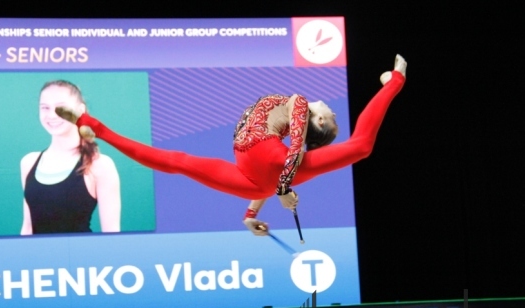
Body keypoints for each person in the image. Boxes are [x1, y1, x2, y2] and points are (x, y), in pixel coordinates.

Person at [57, 55, 406, 235]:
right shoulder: (287, 140)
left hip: (264, 164)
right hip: (256, 172)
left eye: (328, 116)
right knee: (177, 161)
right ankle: (95, 127)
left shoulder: (299, 104)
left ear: (318, 121)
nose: (330, 109)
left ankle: (394, 81)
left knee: (361, 145)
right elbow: (275, 168)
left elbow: (292, 147)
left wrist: (283, 186)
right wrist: (252, 212)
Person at [20, 80, 121, 234]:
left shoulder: (100, 165)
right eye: (45, 108)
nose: (52, 115)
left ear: (80, 110)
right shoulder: (29, 162)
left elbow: (112, 235)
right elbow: (27, 228)